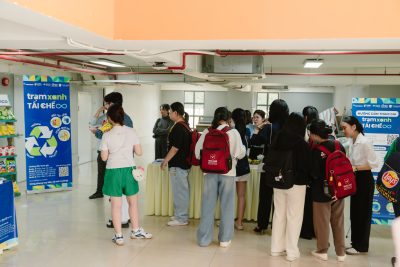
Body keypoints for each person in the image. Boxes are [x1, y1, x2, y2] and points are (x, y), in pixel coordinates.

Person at [100, 104, 152, 245]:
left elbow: (104, 158)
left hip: (113, 171)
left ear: (109, 118)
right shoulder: (132, 132)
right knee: (133, 203)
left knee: (116, 206)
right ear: (122, 116)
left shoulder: (106, 135)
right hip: (129, 170)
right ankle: (136, 231)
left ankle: (118, 236)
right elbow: (139, 152)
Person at [195, 107, 246, 247]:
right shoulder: (233, 132)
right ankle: (224, 239)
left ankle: (204, 239)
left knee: (207, 206)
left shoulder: (206, 132)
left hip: (209, 172)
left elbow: (197, 154)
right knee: (227, 206)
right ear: (228, 118)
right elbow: (241, 153)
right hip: (227, 173)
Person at [269, 112, 311, 262]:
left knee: (279, 214)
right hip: (296, 184)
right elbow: (306, 166)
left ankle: (276, 248)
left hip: (278, 182)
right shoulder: (301, 143)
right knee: (294, 217)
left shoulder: (277, 138)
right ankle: (291, 252)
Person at [309, 119, 346, 262]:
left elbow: (313, 172)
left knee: (322, 221)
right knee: (338, 221)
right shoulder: (338, 145)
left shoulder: (316, 151)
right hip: (339, 188)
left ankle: (322, 250)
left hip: (321, 190)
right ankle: (341, 252)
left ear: (314, 134)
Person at [341, 116, 379, 255]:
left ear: (354, 127)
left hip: (364, 179)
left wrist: (355, 168)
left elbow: (374, 163)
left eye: (345, 127)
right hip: (355, 179)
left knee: (362, 214)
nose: (343, 130)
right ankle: (354, 243)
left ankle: (361, 246)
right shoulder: (352, 141)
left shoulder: (364, 142)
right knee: (355, 213)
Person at [252, 100, 289, 234]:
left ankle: (262, 225)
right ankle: (278, 226)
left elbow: (255, 142)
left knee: (265, 196)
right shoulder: (288, 128)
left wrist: (258, 129)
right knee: (280, 199)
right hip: (285, 167)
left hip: (269, 166)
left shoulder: (269, 127)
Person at [89, 92, 133, 200]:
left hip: (111, 154)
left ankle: (114, 195)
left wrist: (98, 132)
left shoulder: (111, 120)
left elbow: (100, 133)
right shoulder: (128, 120)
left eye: (108, 104)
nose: (106, 106)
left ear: (112, 104)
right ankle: (114, 194)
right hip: (123, 157)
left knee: (110, 175)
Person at [161, 102, 191, 226]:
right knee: (179, 191)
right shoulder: (184, 125)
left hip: (179, 164)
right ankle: (179, 215)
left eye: (170, 111)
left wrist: (165, 160)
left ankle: (182, 218)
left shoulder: (179, 127)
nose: (169, 113)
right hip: (182, 163)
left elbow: (175, 148)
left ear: (176, 113)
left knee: (180, 192)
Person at [300, 106, 319, 240]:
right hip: (319, 170)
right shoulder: (320, 127)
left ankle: (306, 231)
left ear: (306, 117)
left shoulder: (307, 129)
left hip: (309, 170)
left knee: (307, 204)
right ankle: (314, 231)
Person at [231, 108, 251, 230]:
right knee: (241, 196)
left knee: (228, 196)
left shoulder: (232, 132)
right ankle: (239, 223)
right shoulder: (247, 131)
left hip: (232, 167)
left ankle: (226, 221)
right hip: (244, 166)